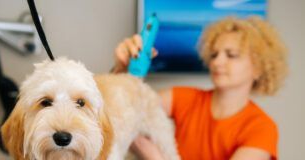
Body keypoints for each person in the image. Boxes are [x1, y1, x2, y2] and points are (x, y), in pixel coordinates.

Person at [111, 16, 287, 160]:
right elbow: (123, 110)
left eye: (231, 55)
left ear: (258, 68)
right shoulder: (185, 98)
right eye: (214, 54)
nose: (217, 62)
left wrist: (154, 156)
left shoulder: (262, 128)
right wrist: (122, 70)